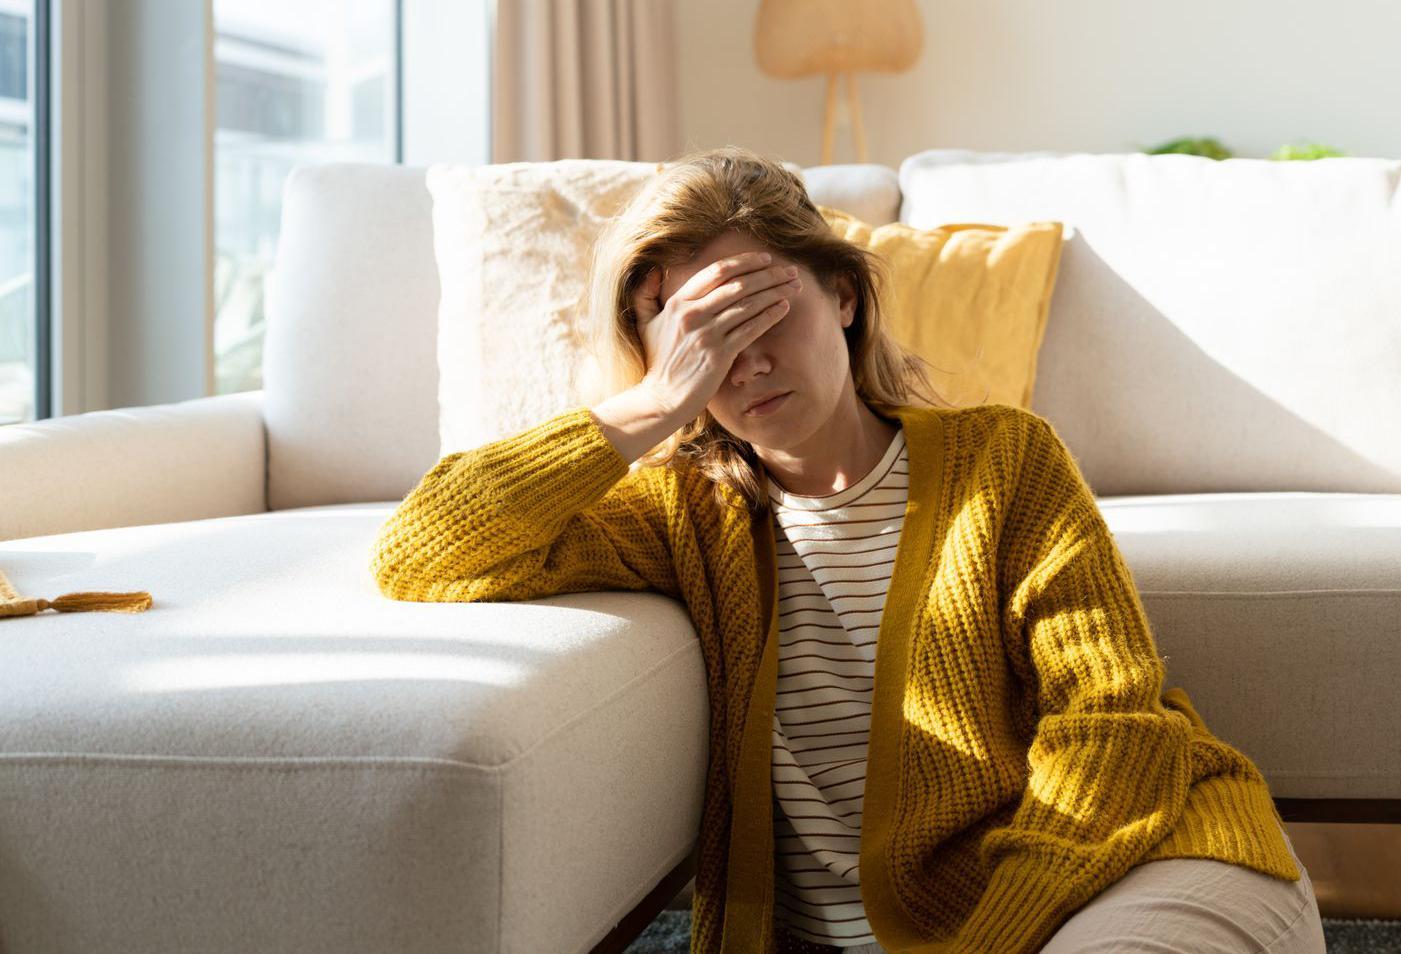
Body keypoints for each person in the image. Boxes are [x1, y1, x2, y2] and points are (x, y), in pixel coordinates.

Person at [371, 145, 1325, 953]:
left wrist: (998, 939)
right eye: (699, 333)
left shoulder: (1002, 457)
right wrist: (653, 404)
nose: (741, 359)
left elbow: (1110, 720)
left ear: (842, 295)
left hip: (1124, 861)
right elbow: (422, 552)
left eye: (759, 307)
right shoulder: (677, 515)